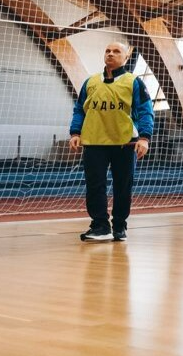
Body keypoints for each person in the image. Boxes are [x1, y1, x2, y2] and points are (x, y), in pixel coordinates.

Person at [69, 42, 153, 242]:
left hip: (125, 142)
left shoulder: (134, 82)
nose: (110, 54)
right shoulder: (90, 82)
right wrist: (75, 132)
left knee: (123, 186)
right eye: (107, 51)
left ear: (125, 57)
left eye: (116, 51)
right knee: (95, 185)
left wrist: (144, 137)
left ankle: (119, 226)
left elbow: (145, 110)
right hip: (94, 141)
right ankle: (100, 226)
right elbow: (80, 109)